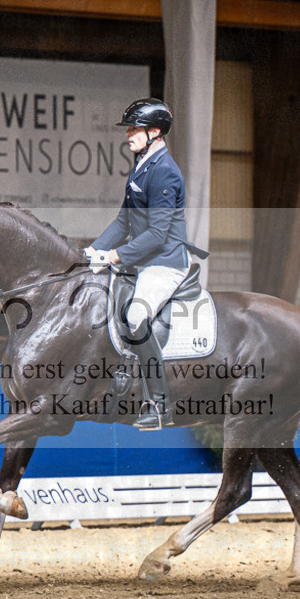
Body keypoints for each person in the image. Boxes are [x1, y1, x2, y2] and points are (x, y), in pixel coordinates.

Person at [85, 98, 205, 430]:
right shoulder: (142, 165)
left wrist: (115, 256)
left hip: (165, 262)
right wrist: (92, 250)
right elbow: (123, 222)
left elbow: (157, 233)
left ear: (155, 131)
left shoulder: (165, 171)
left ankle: (160, 404)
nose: (129, 135)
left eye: (135, 129)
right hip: (144, 261)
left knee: (137, 316)